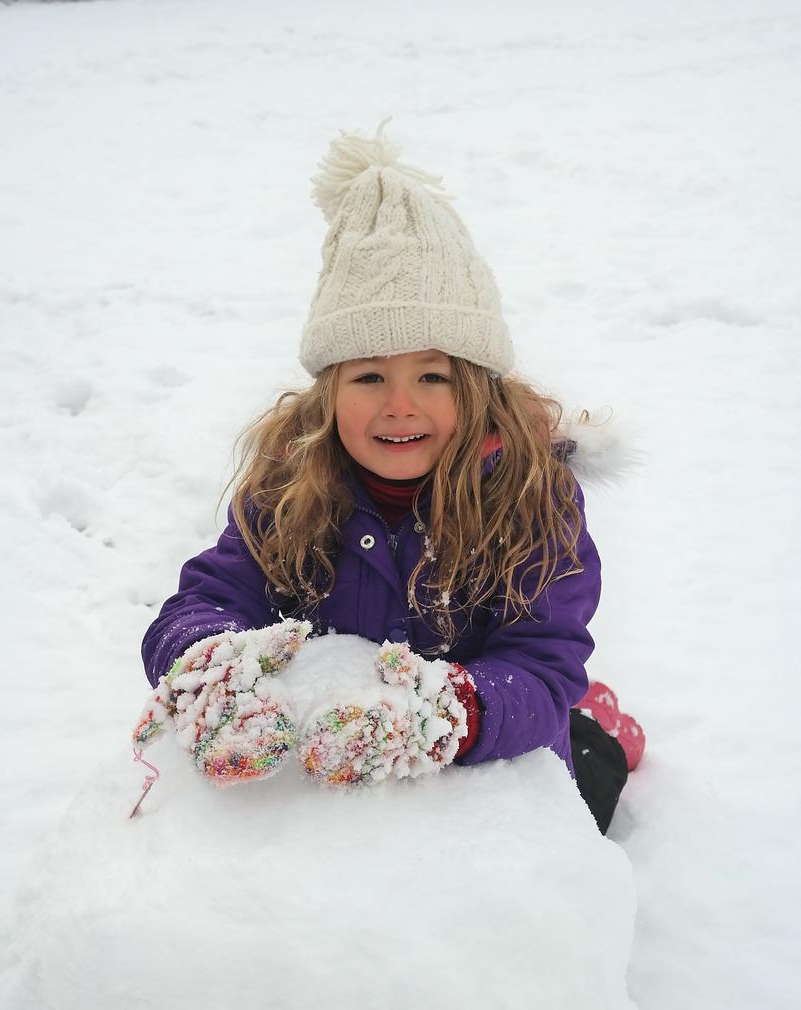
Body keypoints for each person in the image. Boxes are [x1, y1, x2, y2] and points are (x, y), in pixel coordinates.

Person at [134, 123, 643, 833]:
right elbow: (211, 596)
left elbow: (542, 666)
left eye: (431, 377)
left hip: (482, 767)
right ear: (326, 395)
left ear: (477, 392)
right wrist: (207, 662)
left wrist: (447, 714)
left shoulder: (531, 501)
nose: (398, 405)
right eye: (369, 375)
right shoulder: (288, 487)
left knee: (584, 770)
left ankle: (602, 736)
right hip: (322, 760)